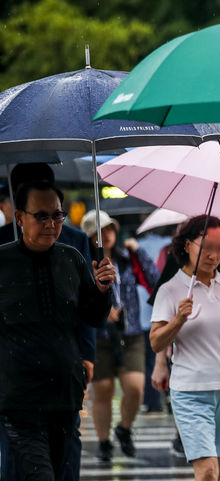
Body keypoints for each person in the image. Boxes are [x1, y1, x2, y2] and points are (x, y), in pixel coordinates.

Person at [0, 181, 116, 480]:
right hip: (18, 398)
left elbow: (93, 317)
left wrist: (102, 290)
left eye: (57, 215)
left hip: (65, 394)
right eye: (41, 216)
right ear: (20, 216)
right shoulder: (2, 261)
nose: (51, 224)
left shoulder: (72, 258)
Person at [150, 215, 220, 481]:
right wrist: (179, 319)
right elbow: (156, 341)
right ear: (186, 246)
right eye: (206, 248)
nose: (214, 255)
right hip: (190, 390)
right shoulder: (170, 290)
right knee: (206, 472)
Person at [81, 209, 160, 461]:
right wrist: (102, 310)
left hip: (130, 333)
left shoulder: (127, 259)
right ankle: (104, 443)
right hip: (100, 336)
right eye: (101, 231)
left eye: (110, 229)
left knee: (135, 388)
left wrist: (138, 251)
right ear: (91, 236)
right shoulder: (84, 263)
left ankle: (124, 428)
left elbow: (155, 281)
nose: (108, 234)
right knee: (102, 389)